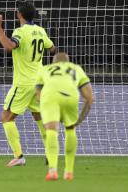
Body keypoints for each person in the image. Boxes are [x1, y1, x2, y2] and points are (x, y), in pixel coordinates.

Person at [0, 1, 56, 167]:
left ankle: (19, 156)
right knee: (39, 117)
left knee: (6, 117)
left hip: (24, 82)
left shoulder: (21, 32)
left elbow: (8, 46)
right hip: (40, 81)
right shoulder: (40, 30)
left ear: (19, 15)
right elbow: (52, 48)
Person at [37, 52, 93, 181]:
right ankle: (69, 172)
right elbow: (89, 97)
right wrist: (80, 119)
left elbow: (38, 92)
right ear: (68, 62)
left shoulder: (45, 69)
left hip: (50, 97)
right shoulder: (76, 68)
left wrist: (47, 109)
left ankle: (52, 171)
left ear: (53, 62)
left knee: (51, 130)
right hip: (70, 97)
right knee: (70, 129)